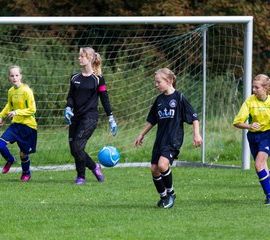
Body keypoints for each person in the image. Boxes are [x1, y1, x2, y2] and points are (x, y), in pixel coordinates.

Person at [134, 68, 203, 209]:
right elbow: (152, 120)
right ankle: (164, 196)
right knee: (154, 169)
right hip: (160, 139)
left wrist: (196, 134)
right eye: (156, 82)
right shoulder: (159, 100)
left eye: (158, 82)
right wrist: (142, 134)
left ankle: (171, 194)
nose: (156, 85)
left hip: (173, 139)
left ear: (169, 81)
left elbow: (194, 117)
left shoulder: (179, 98)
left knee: (162, 165)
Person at [233, 74, 270, 205]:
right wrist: (249, 125)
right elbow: (236, 122)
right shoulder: (249, 101)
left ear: (265, 88)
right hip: (253, 136)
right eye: (253, 87)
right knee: (262, 170)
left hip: (268, 135)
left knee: (258, 165)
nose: (253, 90)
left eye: (256, 87)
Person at [65, 47, 117, 185]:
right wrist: (68, 107)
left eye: (81, 56)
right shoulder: (74, 77)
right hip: (75, 117)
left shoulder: (98, 79)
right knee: (74, 149)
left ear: (90, 58)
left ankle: (82, 175)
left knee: (77, 146)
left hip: (90, 118)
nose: (79, 58)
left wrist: (111, 118)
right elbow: (70, 96)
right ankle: (92, 168)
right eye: (79, 56)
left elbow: (105, 99)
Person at [0, 65, 37, 181]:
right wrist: (1, 115)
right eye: (12, 75)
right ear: (9, 77)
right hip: (15, 126)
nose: (14, 78)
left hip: (28, 126)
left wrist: (17, 112)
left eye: (16, 75)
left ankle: (26, 173)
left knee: (23, 154)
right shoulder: (11, 91)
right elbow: (9, 105)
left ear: (21, 76)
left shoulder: (27, 91)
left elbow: (33, 110)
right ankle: (10, 159)